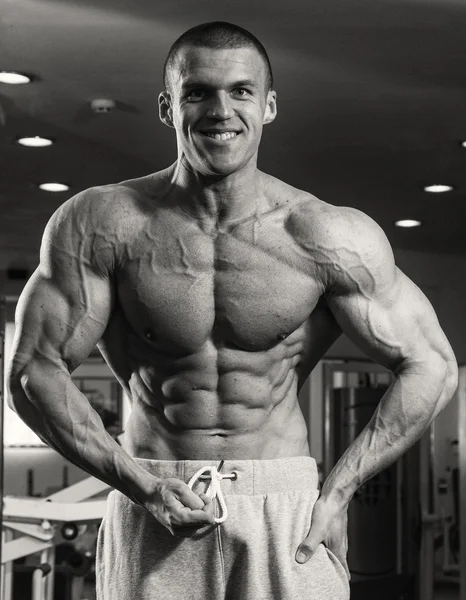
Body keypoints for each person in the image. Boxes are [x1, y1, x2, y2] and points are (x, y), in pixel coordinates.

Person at [7, 21, 458, 600]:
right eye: (198, 92)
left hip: (285, 503)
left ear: (268, 106)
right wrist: (138, 484)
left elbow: (432, 365)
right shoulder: (102, 224)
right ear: (169, 107)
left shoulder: (324, 234)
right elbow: (32, 370)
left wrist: (339, 490)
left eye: (241, 91)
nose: (221, 109)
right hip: (155, 488)